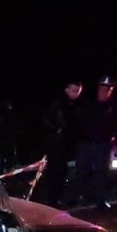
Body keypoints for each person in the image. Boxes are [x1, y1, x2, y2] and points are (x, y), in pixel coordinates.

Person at [70, 76, 117, 207]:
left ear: (111, 90)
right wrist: (75, 139)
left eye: (108, 89)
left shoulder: (114, 106)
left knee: (101, 173)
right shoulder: (87, 104)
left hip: (102, 145)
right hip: (85, 144)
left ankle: (100, 200)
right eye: (102, 88)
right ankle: (75, 198)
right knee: (81, 172)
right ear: (98, 88)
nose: (104, 91)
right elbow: (77, 122)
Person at [37, 78, 84, 206]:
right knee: (55, 171)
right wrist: (55, 131)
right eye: (73, 90)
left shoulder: (76, 105)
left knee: (62, 171)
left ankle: (56, 197)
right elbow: (47, 120)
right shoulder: (58, 104)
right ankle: (52, 199)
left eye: (78, 91)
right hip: (56, 143)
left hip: (66, 144)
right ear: (66, 89)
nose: (75, 93)